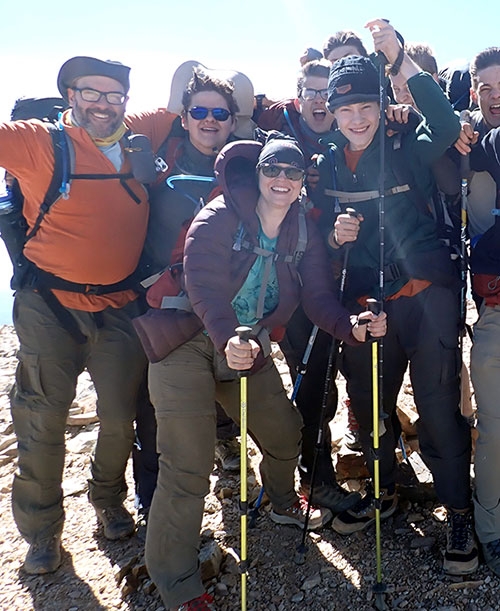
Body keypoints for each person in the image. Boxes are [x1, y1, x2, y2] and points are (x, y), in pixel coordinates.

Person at [143, 134, 387, 610]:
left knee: (285, 431)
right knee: (186, 464)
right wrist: (227, 338)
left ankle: (281, 504)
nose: (282, 179)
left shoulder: (302, 230)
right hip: (187, 341)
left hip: (245, 343)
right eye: (272, 169)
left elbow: (317, 297)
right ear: (256, 173)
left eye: (292, 173)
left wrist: (351, 328)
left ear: (301, 183)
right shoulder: (217, 217)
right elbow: (203, 286)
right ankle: (178, 584)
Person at [311, 19, 477, 576]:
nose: (356, 120)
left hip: (426, 299)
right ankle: (385, 489)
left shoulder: (408, 145)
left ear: (382, 106)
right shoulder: (326, 163)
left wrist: (400, 59)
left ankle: (458, 515)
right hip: (367, 307)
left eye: (366, 107)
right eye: (345, 110)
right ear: (332, 113)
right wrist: (337, 237)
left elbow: (449, 119)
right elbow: (314, 239)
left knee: (436, 408)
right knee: (372, 408)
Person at [1, 56, 176, 575]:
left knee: (121, 418)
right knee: (42, 417)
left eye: (113, 95)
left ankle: (107, 500)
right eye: (90, 93)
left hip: (118, 304)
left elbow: (195, 100)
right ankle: (42, 531)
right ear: (69, 95)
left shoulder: (142, 132)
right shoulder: (37, 140)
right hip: (48, 304)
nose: (103, 104)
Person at [132, 62, 256, 533]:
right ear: (183, 116)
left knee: (230, 377)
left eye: (221, 114)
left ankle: (229, 449)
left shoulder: (246, 163)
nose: (210, 120)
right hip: (162, 301)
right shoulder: (160, 156)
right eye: (199, 111)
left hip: (226, 299)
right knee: (153, 405)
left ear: (233, 119)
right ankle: (150, 497)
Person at [257, 59, 363, 511]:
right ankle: (314, 476)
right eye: (312, 92)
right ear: (299, 95)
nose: (321, 100)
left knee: (330, 379)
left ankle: (321, 472)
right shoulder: (282, 141)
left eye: (328, 93)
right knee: (312, 381)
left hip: (336, 273)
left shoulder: (350, 133)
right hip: (295, 284)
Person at [454, 46, 500, 577]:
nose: (493, 96)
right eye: (484, 87)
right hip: (494, 308)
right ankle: (491, 528)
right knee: (495, 424)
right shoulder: (470, 144)